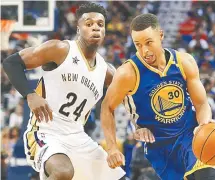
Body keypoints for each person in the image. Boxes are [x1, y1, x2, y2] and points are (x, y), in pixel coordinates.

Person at [3, 3, 125, 180]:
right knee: (62, 172)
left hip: (78, 137)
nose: (95, 27)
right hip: (46, 132)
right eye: (89, 23)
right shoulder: (60, 50)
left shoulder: (107, 72)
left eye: (100, 24)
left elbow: (128, 97)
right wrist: (30, 95)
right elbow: (11, 63)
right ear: (78, 28)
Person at [100, 13, 215, 180]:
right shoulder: (128, 73)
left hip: (190, 133)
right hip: (160, 145)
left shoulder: (184, 62)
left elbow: (201, 104)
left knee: (207, 175)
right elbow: (107, 107)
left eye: (149, 42)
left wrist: (203, 124)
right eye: (138, 45)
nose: (145, 51)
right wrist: (112, 147)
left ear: (161, 35)